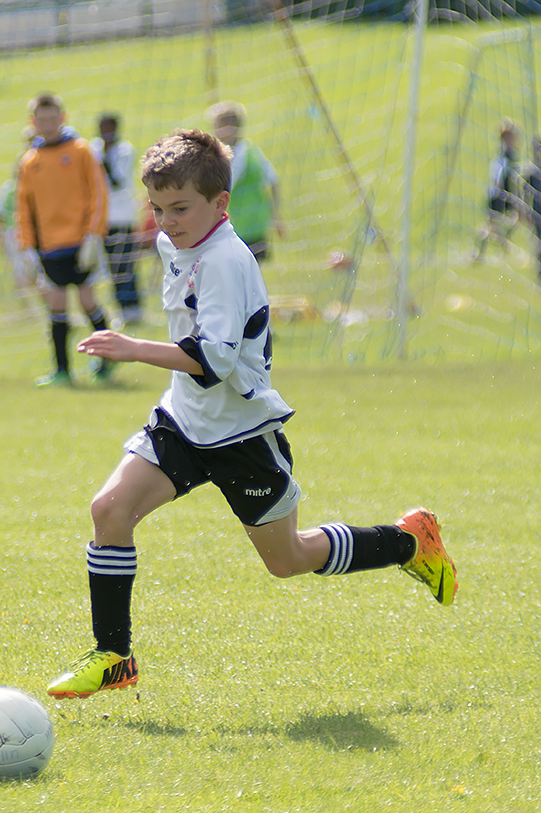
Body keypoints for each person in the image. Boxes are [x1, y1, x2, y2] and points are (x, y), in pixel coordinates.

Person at [46, 129, 458, 699]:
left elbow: (212, 362)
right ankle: (115, 656)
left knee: (288, 561)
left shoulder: (226, 261)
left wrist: (132, 347)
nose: (167, 221)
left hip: (241, 432)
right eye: (158, 208)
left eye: (181, 209)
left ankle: (410, 541)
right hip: (184, 422)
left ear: (221, 203)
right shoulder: (178, 242)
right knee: (109, 510)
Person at [17, 92, 111, 386]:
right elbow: (24, 208)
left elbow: (98, 193)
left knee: (87, 301)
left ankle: (108, 360)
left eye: (52, 118)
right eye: (41, 120)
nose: (47, 124)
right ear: (33, 122)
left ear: (63, 118)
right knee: (56, 306)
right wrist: (28, 247)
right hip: (50, 245)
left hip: (80, 241)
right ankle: (62, 370)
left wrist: (93, 236)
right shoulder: (30, 161)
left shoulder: (81, 151)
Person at [208, 101, 285, 262]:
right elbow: (274, 180)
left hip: (241, 226)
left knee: (241, 275)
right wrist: (276, 216)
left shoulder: (237, 157)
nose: (215, 132)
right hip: (258, 222)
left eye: (218, 126)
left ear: (230, 127)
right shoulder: (252, 149)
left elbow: (224, 187)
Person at [90, 114, 143, 325]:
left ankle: (135, 308)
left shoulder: (124, 150)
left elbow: (118, 181)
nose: (105, 133)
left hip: (124, 217)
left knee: (127, 264)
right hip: (104, 219)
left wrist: (102, 159)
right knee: (113, 267)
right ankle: (122, 310)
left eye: (109, 128)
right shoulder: (93, 148)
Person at [0, 128, 44, 309]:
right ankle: (29, 305)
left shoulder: (20, 188)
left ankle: (35, 304)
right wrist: (0, 236)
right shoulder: (11, 189)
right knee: (25, 270)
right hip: (17, 233)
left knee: (31, 270)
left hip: (26, 232)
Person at [473, 118, 522, 262]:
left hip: (503, 194)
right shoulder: (506, 154)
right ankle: (481, 251)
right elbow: (499, 174)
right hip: (500, 194)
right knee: (491, 226)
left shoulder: (507, 152)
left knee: (517, 219)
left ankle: (503, 243)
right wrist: (501, 188)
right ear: (507, 137)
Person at [523, 134, 541, 292]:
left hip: (539, 213)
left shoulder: (532, 171)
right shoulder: (534, 172)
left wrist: (526, 211)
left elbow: (525, 194)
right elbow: (526, 193)